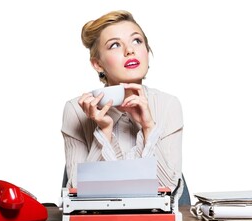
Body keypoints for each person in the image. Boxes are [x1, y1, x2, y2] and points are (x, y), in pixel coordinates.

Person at [61, 10, 186, 202]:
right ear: (98, 64)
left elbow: (170, 195)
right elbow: (78, 197)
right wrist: (104, 132)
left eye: (137, 41)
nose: (130, 50)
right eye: (115, 45)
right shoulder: (76, 111)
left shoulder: (168, 105)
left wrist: (148, 128)